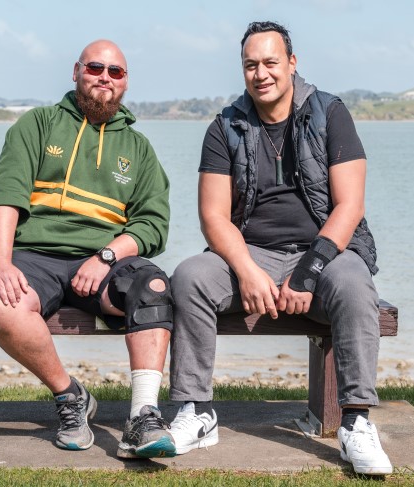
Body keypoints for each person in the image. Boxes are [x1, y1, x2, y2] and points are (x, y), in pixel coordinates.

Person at [167, 21, 393, 475]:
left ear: (292, 63)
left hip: (325, 252)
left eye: (271, 62)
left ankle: (355, 424)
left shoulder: (330, 113)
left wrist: (309, 271)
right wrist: (247, 270)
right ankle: (197, 412)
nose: (261, 73)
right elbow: (213, 216)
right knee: (190, 277)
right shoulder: (225, 126)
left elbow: (349, 206)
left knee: (353, 284)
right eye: (251, 65)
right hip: (251, 252)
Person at [0, 39, 175, 459]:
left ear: (125, 83)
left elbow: (153, 224)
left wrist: (105, 256)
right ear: (75, 72)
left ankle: (143, 416)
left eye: (115, 72)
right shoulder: (37, 124)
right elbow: (6, 197)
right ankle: (71, 397)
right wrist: (1, 262)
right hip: (35, 256)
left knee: (155, 286)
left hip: (103, 262)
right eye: (95, 68)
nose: (105, 78)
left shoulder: (138, 149)